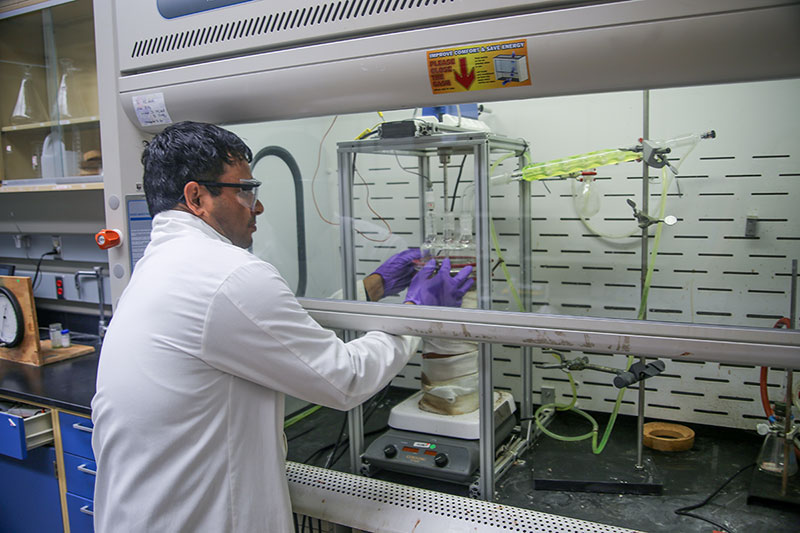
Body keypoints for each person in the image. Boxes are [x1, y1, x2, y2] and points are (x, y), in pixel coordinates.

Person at [91, 121, 474, 533]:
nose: (257, 206)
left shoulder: (159, 269)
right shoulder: (228, 275)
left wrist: (375, 287)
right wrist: (417, 310)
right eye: (244, 190)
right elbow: (345, 379)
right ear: (196, 196)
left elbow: (274, 336)